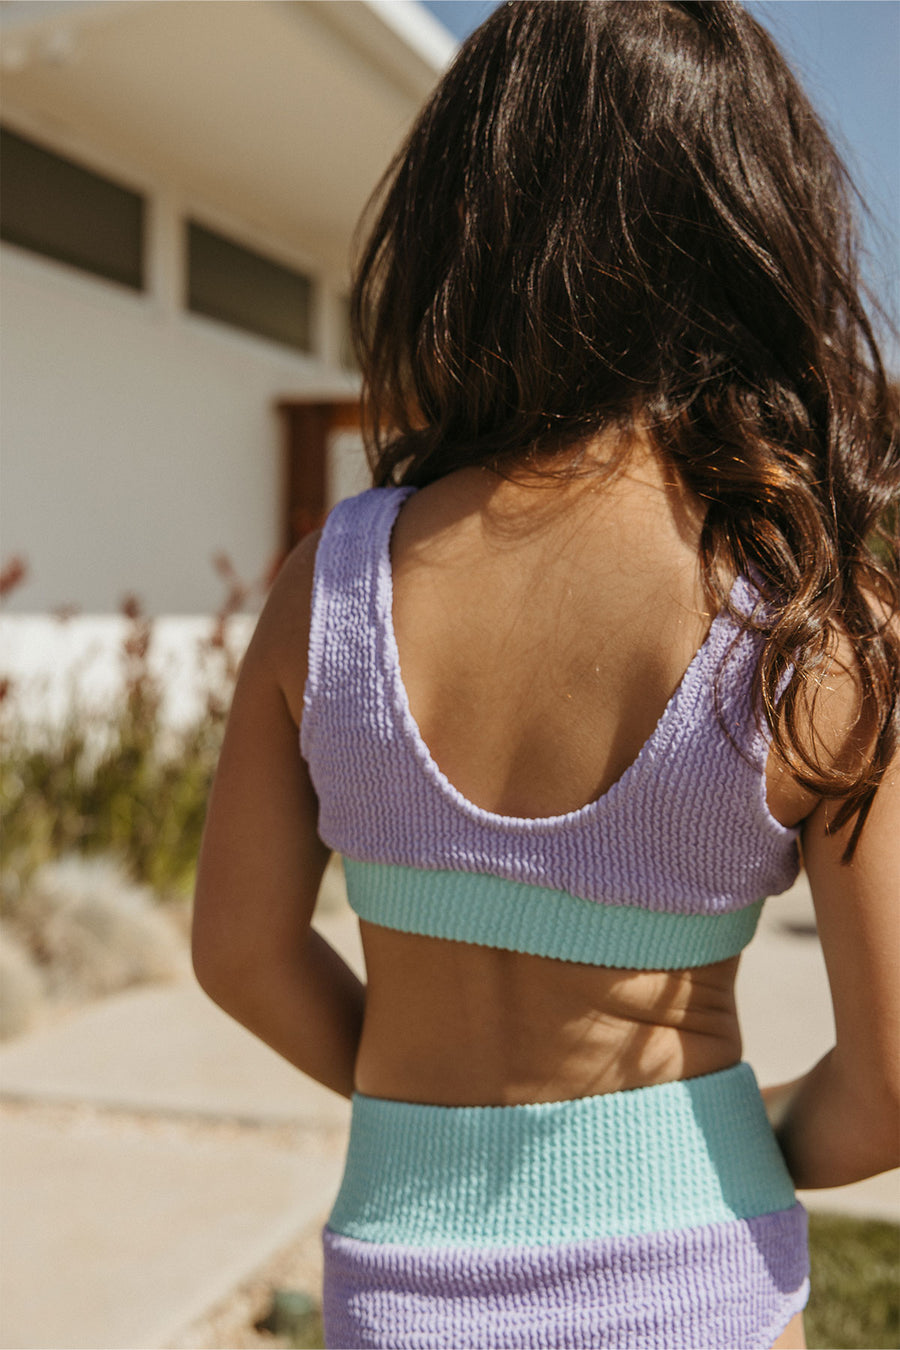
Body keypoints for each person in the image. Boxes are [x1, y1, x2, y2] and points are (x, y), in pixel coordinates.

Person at [191, 2, 899, 1346]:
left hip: (405, 1288)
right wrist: (709, 1145)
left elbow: (238, 950)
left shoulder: (333, 588)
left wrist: (426, 1124)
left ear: (470, 217)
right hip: (700, 1284)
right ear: (755, 230)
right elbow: (893, 1082)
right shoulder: (804, 623)